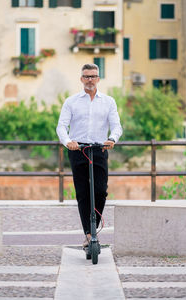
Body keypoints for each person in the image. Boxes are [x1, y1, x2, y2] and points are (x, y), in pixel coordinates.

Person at [56, 63, 122, 247]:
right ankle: (88, 233)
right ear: (81, 79)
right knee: (83, 193)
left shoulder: (108, 101)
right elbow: (61, 125)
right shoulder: (71, 101)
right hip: (78, 150)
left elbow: (117, 125)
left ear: (98, 79)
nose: (90, 80)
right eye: (86, 76)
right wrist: (68, 141)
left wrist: (112, 138)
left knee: (100, 191)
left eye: (93, 76)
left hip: (99, 150)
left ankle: (94, 228)